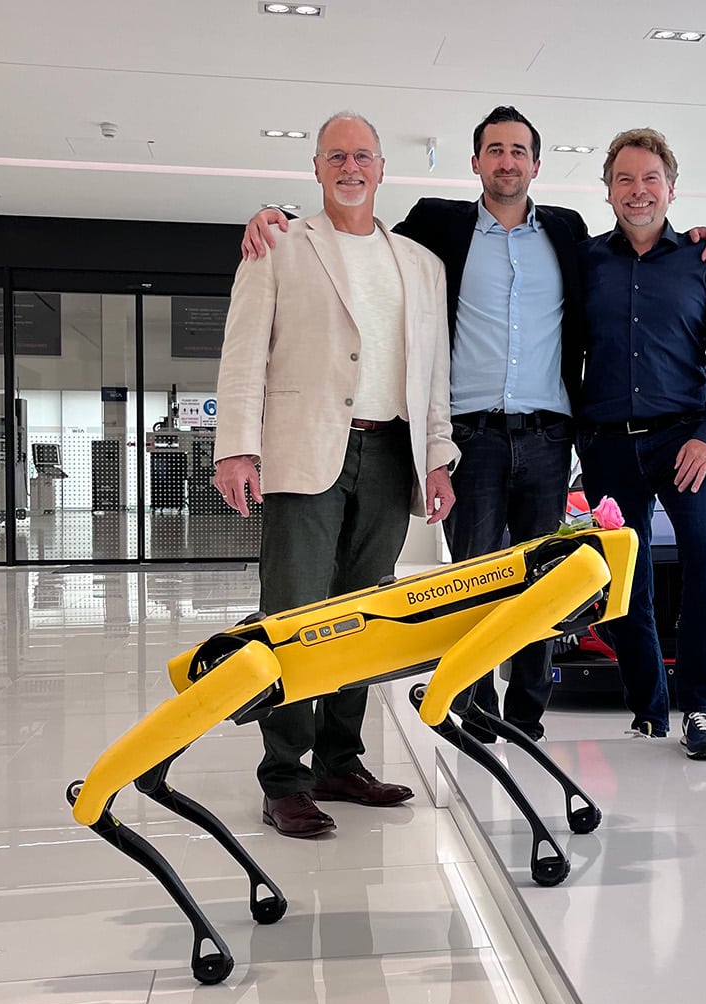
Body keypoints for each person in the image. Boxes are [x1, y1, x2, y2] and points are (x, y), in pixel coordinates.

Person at [241, 106, 706, 744]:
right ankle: (469, 709)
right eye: (494, 150)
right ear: (476, 162)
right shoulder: (436, 226)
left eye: (518, 151)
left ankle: (526, 715)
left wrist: (700, 236)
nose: (506, 162)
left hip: (552, 434)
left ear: (536, 165)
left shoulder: (567, 233)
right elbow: (354, 229)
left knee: (542, 585)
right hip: (470, 433)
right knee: (471, 580)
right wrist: (274, 214)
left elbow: (658, 281)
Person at [214, 111, 458, 837]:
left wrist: (439, 456)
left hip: (390, 453)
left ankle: (341, 761)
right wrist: (235, 446)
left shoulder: (421, 264)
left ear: (383, 170)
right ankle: (283, 777)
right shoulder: (280, 245)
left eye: (363, 157)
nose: (351, 168)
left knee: (365, 614)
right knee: (293, 615)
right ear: (316, 170)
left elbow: (433, 374)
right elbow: (243, 352)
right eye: (336, 157)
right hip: (305, 449)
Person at [574, 128, 706, 760]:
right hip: (610, 447)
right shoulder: (587, 261)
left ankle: (701, 708)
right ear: (609, 191)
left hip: (686, 443)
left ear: (670, 188)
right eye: (625, 179)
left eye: (650, 179)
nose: (638, 191)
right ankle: (648, 707)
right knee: (625, 577)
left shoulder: (704, 261)